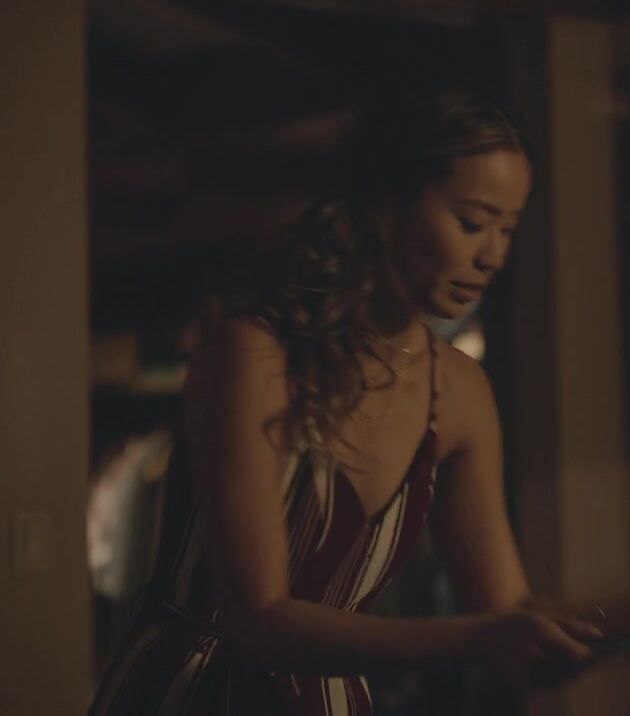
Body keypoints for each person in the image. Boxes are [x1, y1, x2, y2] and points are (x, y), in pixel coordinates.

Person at [89, 90, 602, 715]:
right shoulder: (254, 354)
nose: (493, 255)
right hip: (189, 694)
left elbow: (507, 612)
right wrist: (480, 639)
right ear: (387, 204)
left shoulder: (461, 394)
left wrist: (584, 633)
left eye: (508, 228)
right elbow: (256, 620)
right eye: (472, 222)